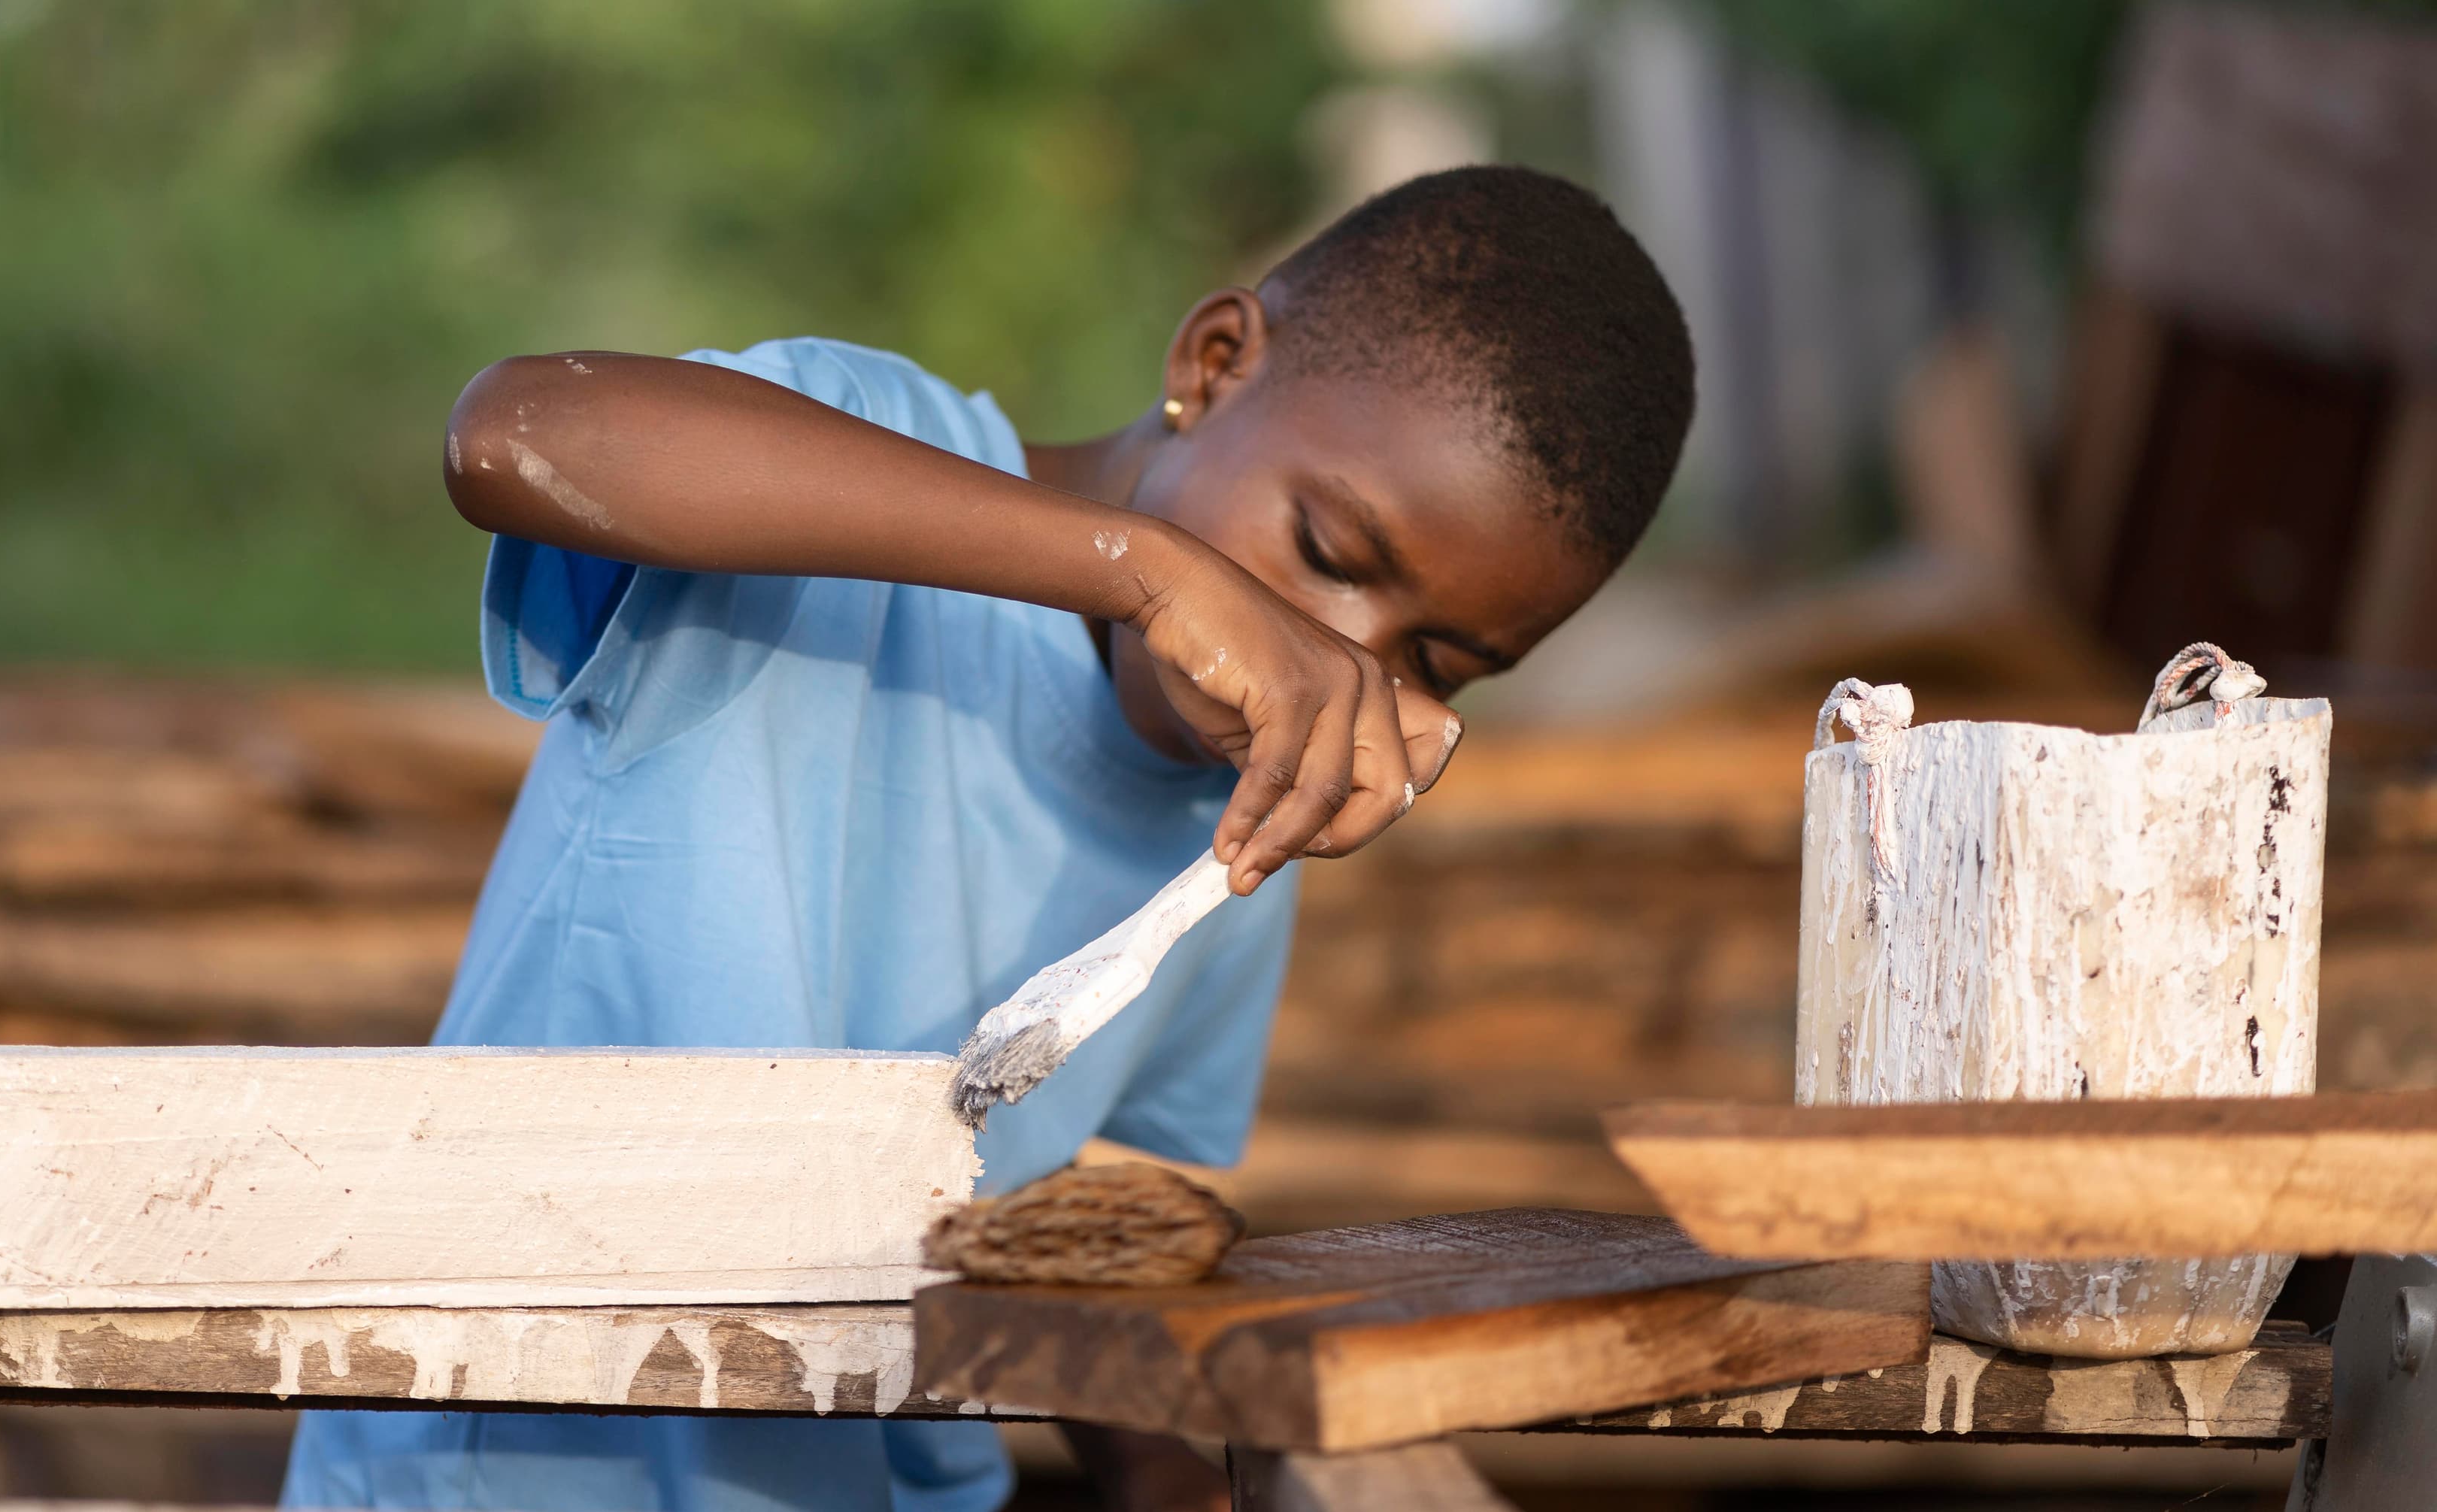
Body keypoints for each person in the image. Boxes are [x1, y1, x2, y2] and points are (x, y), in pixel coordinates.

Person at [281, 164, 1695, 1512]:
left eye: (1437, 661)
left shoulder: (1248, 815)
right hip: (498, 1462)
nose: (1342, 661)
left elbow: (1021, 1183)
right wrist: (1149, 573)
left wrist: (1157, 1465)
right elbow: (516, 434)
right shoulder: (852, 455)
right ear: (1212, 365)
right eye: (1326, 555)